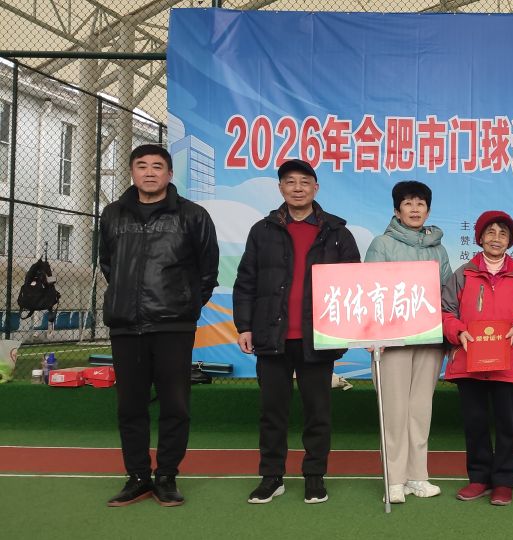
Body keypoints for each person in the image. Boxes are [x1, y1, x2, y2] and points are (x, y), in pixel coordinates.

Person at [233, 159, 361, 505]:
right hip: (270, 337)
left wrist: (346, 330)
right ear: (280, 189)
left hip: (317, 338)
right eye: (290, 182)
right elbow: (246, 281)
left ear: (316, 188)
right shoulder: (263, 231)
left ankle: (314, 476)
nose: (298, 188)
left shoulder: (337, 232)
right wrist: (244, 325)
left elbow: (352, 286)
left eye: (305, 182)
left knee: (317, 413)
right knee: (272, 412)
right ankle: (271, 477)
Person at [100, 144, 218, 507]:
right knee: (130, 407)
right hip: (125, 326)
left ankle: (166, 475)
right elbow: (108, 264)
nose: (149, 172)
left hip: (173, 327)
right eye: (142, 166)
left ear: (169, 174)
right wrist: (128, 299)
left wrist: (183, 305)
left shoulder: (193, 215)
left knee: (175, 405)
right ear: (132, 172)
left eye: (157, 166)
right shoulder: (112, 214)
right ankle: (137, 476)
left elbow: (208, 271)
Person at [442, 211, 513, 506]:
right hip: (468, 360)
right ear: (480, 238)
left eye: (503, 234)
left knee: (507, 424)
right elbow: (446, 311)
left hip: (506, 362)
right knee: (475, 422)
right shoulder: (463, 274)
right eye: (491, 232)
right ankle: (479, 478)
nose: (496, 238)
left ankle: (504, 482)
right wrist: (458, 332)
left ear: (509, 241)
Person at [364, 181, 452, 504]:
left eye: (420, 204)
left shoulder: (438, 249)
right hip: (393, 341)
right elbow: (370, 291)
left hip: (429, 340)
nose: (415, 209)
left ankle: (417, 476)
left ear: (428, 210)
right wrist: (372, 335)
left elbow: (447, 294)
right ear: (396, 209)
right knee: (395, 410)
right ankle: (394, 480)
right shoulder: (382, 244)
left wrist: (448, 332)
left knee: (420, 409)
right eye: (408, 203)